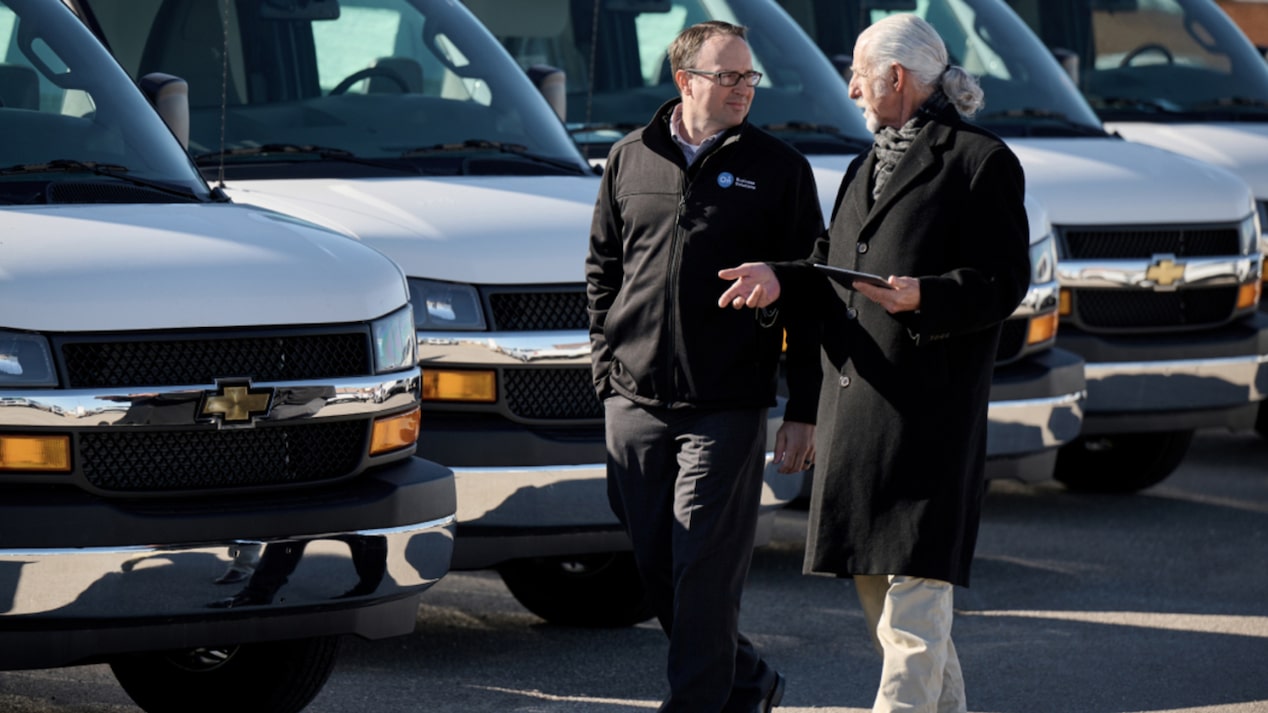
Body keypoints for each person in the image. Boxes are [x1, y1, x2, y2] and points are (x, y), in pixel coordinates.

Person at [717, 14, 1030, 713]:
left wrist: (928, 295)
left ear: (896, 78)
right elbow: (832, 262)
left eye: (859, 72)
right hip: (859, 412)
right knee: (889, 608)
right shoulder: (865, 163)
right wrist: (778, 274)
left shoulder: (981, 161)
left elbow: (1007, 281)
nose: (850, 86)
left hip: (928, 419)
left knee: (915, 606)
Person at [585, 20, 823, 713]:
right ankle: (747, 681)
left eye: (750, 78)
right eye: (729, 77)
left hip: (726, 405)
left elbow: (811, 289)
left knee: (704, 570)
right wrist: (608, 371)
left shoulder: (780, 169)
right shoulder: (629, 159)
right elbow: (603, 270)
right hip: (633, 402)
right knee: (660, 569)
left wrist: (803, 408)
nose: (745, 89)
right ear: (686, 81)